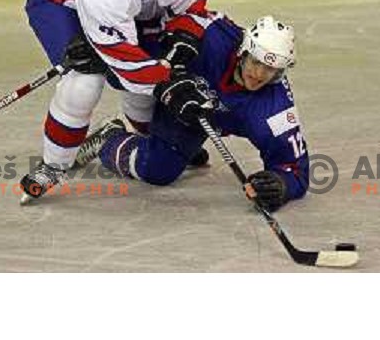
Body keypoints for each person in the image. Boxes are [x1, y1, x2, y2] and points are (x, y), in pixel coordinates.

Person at [20, 0, 212, 201]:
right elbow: (129, 68)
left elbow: (194, 9)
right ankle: (53, 166)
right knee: (85, 81)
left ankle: (150, 138)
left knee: (159, 60)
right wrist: (173, 85)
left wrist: (182, 43)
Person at [75, 14, 310, 212]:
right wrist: (106, 47)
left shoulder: (275, 109)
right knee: (157, 169)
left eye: (270, 69)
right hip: (180, 98)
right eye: (255, 62)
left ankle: (182, 148)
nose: (258, 74)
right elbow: (170, 22)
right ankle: (109, 137)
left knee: (163, 162)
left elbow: (296, 169)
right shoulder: (213, 38)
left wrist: (281, 185)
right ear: (243, 52)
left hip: (208, 115)